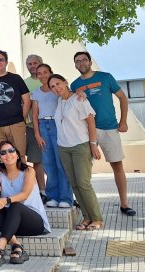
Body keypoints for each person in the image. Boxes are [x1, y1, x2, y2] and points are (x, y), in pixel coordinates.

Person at [71, 51, 135, 216]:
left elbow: (122, 98)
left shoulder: (106, 77)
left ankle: (124, 204)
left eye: (84, 60)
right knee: (83, 169)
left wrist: (123, 121)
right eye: (77, 61)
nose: (81, 63)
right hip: (85, 131)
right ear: (75, 65)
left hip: (109, 128)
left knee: (117, 165)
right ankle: (85, 204)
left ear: (90, 62)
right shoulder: (74, 85)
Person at [49, 73, 104, 231]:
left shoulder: (79, 99)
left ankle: (97, 218)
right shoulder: (60, 101)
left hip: (80, 145)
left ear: (66, 82)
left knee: (83, 183)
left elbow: (91, 120)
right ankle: (87, 217)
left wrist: (93, 144)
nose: (56, 88)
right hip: (63, 147)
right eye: (53, 86)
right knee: (74, 184)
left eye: (58, 84)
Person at [0, 141, 51, 268]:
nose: (8, 154)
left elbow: (24, 194)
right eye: (3, 153)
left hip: (34, 223)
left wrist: (6, 200)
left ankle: (1, 245)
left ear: (17, 154)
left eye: (11, 151)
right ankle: (16, 245)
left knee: (15, 206)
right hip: (12, 224)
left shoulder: (28, 171)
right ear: (0, 158)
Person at [31, 64, 73, 208]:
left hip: (58, 125)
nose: (42, 75)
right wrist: (37, 134)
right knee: (48, 163)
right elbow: (34, 114)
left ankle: (66, 198)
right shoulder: (36, 93)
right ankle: (53, 196)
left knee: (61, 162)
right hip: (43, 126)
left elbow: (70, 96)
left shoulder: (57, 90)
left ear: (51, 73)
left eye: (45, 72)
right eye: (39, 73)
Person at [0, 50, 30, 156]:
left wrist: (22, 119)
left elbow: (26, 100)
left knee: (19, 156)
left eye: (1, 60)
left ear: (6, 62)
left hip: (16, 124)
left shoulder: (16, 78)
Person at [24, 55, 46, 201]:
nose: (32, 66)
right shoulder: (23, 83)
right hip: (31, 127)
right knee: (37, 160)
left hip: (51, 125)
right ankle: (43, 191)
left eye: (35, 63)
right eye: (29, 64)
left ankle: (57, 192)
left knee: (55, 160)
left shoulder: (50, 80)